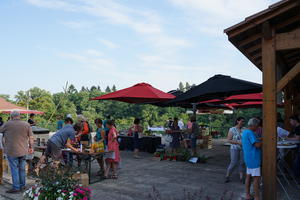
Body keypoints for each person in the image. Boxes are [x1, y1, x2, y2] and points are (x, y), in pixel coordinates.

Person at [0, 111, 34, 193]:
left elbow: (0, 133)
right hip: (23, 150)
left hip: (11, 151)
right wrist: (31, 147)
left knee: (14, 169)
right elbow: (31, 137)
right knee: (22, 169)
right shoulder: (26, 124)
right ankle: (22, 186)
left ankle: (16, 187)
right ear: (19, 116)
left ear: (11, 116)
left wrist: (4, 145)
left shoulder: (7, 124)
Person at [242, 118, 262, 200]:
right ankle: (257, 197)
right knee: (256, 179)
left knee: (248, 177)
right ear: (253, 125)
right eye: (257, 126)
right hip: (254, 158)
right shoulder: (250, 133)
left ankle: (247, 195)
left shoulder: (245, 132)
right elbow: (257, 145)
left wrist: (260, 139)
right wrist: (265, 140)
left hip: (248, 158)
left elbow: (253, 141)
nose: (258, 128)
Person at [225, 117, 245, 183]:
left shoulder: (244, 129)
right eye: (242, 121)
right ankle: (227, 176)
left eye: (243, 121)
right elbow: (228, 140)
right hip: (234, 148)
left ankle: (241, 178)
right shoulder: (232, 129)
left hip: (243, 148)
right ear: (237, 121)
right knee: (233, 162)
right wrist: (238, 142)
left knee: (241, 163)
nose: (243, 123)